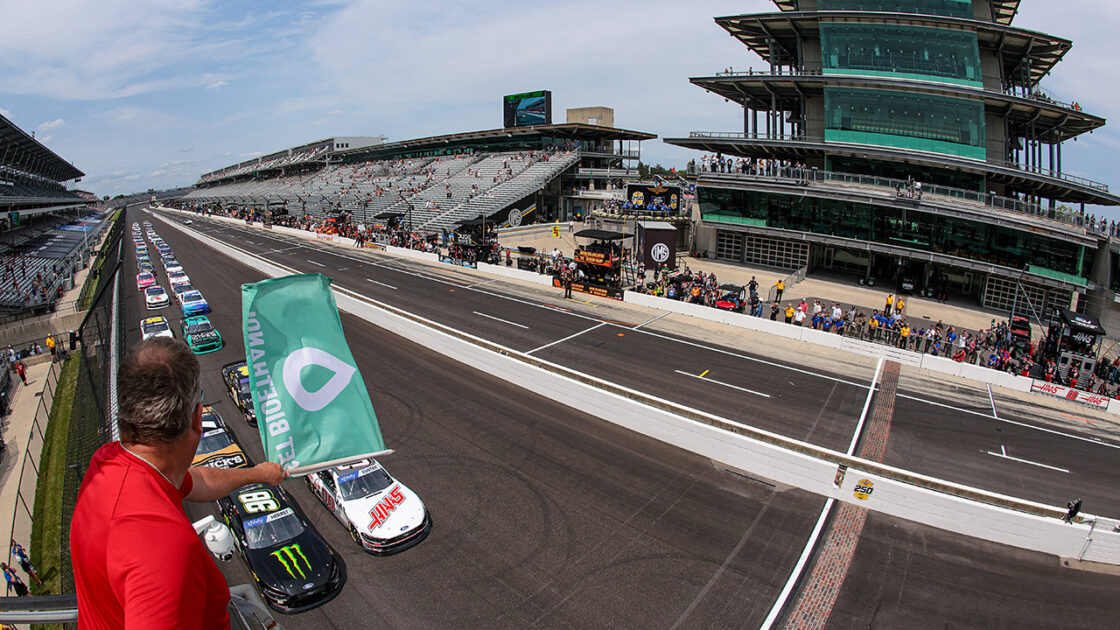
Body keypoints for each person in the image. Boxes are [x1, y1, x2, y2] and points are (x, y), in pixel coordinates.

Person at [71, 338, 288, 629]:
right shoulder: (163, 550)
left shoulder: (110, 462)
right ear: (198, 419)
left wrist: (257, 474)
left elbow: (197, 480)